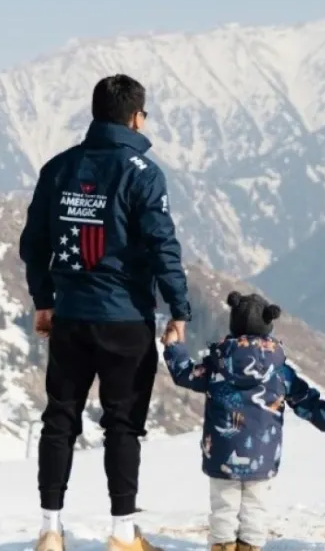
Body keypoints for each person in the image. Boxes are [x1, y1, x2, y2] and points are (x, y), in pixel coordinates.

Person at [19, 74, 192, 551]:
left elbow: (33, 244)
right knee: (122, 424)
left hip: (71, 315)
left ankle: (50, 530)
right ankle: (121, 534)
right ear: (136, 117)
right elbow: (162, 246)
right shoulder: (143, 172)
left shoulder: (58, 167)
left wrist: (44, 300)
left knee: (60, 419)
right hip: (125, 318)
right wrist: (178, 308)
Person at [163, 291, 325, 551]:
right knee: (255, 509)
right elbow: (305, 400)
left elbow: (184, 373)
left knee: (223, 508)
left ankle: (222, 547)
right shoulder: (279, 371)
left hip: (222, 452)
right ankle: (250, 547)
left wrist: (173, 345)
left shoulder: (217, 365)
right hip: (263, 455)